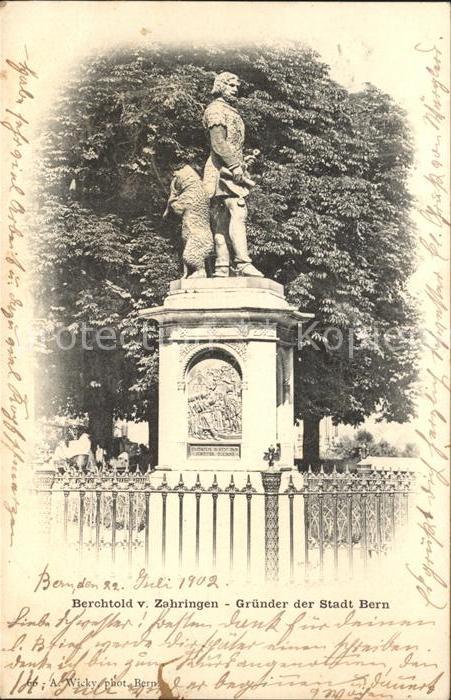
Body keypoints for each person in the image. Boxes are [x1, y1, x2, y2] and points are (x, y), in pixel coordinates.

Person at [202, 72, 263, 278]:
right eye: (230, 85)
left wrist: (242, 163)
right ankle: (243, 263)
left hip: (230, 168)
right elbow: (218, 143)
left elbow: (233, 144)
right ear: (220, 86)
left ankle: (221, 267)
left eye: (237, 85)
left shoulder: (230, 110)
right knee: (237, 211)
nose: (235, 89)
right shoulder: (216, 110)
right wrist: (235, 166)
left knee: (222, 218)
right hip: (222, 170)